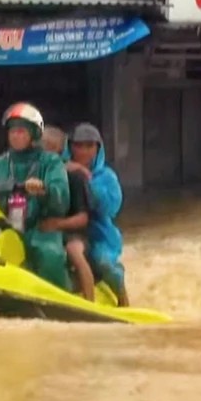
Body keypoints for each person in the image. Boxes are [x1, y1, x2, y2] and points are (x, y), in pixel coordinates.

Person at [0, 103, 71, 291]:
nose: (16, 135)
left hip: (39, 229)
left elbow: (61, 197)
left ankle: (60, 298)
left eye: (22, 131)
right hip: (2, 227)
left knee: (49, 255)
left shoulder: (50, 161)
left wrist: (44, 190)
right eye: (12, 131)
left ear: (34, 133)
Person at [67, 122, 129, 307]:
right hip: (66, 227)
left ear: (98, 148)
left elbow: (111, 207)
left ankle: (122, 297)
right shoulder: (59, 169)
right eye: (78, 146)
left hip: (98, 233)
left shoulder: (106, 176)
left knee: (103, 262)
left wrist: (87, 181)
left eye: (89, 146)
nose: (83, 151)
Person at [40, 126, 96, 301]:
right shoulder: (32, 173)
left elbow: (83, 218)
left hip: (72, 233)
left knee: (74, 251)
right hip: (41, 229)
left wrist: (56, 224)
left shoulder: (75, 177)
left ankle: (90, 302)